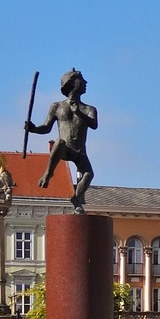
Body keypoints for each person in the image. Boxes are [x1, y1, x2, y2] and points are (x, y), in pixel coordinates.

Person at [26, 69, 98, 213]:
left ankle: (77, 199)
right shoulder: (57, 106)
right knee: (59, 142)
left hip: (79, 151)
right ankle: (48, 173)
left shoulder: (89, 109)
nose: (85, 82)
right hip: (65, 148)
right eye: (81, 80)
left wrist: (78, 112)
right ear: (71, 83)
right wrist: (33, 129)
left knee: (89, 174)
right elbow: (46, 127)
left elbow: (94, 124)